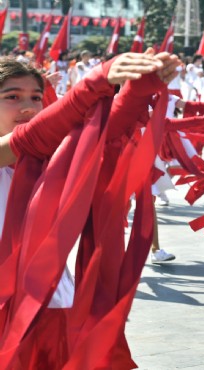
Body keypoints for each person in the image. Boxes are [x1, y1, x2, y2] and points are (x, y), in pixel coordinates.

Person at [1, 50, 180, 369]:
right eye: (12, 96)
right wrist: (93, 83)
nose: (28, 106)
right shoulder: (19, 148)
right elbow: (29, 138)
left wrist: (137, 91)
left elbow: (102, 136)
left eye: (36, 96)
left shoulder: (47, 157)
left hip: (55, 307)